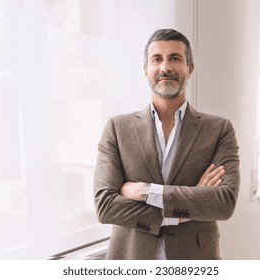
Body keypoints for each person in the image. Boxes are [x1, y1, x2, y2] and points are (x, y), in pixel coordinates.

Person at [93, 29, 240, 260]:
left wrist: (144, 191)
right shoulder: (117, 128)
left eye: (175, 58)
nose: (165, 68)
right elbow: (105, 206)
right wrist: (185, 209)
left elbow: (224, 203)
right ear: (145, 70)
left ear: (189, 68)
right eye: (157, 59)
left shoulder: (219, 130)